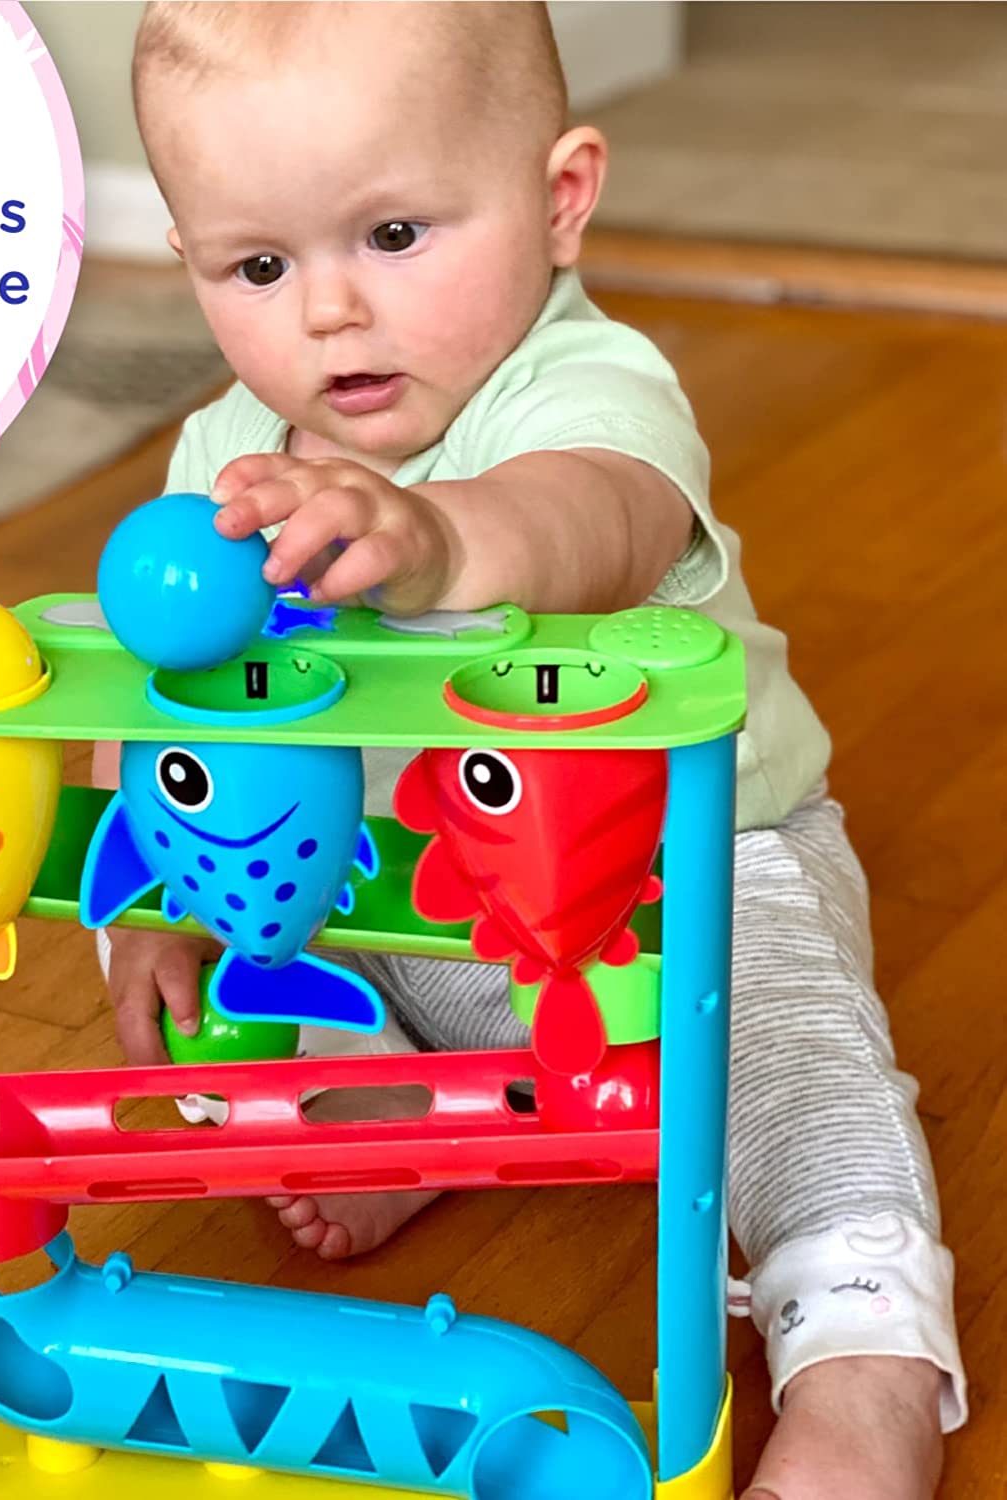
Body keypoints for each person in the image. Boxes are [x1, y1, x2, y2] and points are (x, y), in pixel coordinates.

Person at [92, 6, 965, 1497]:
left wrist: (438, 541)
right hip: (398, 893)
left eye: (393, 235)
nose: (329, 313)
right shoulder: (220, 463)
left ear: (560, 200)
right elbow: (169, 708)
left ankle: (862, 1352)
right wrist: (158, 900)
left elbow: (590, 518)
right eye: (259, 267)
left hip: (681, 884)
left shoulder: (584, 384)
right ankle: (401, 1107)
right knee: (242, 953)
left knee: (788, 1083)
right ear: (188, 261)